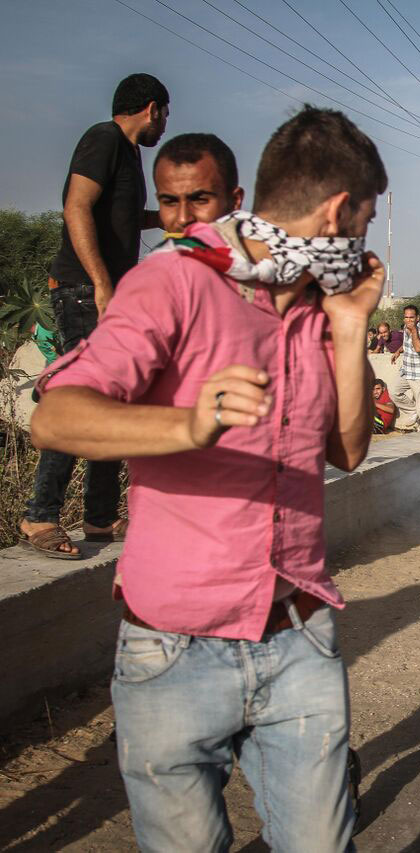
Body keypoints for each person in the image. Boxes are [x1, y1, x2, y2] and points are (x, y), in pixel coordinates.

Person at [30, 104, 386, 850]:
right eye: (366, 219)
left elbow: (347, 451)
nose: (366, 239)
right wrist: (188, 425)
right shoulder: (177, 283)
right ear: (337, 212)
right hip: (174, 651)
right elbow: (57, 417)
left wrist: (351, 330)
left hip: (297, 639)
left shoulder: (320, 311)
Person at [20, 74, 170, 559]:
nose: (165, 125)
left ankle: (100, 518)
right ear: (152, 108)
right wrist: (102, 283)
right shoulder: (102, 138)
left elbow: (117, 215)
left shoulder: (129, 154)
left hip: (108, 294)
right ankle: (40, 516)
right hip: (85, 292)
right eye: (165, 115)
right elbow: (76, 208)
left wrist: (164, 217)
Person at [391, 304, 420, 430]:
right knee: (394, 392)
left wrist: (414, 331)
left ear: (417, 318)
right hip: (406, 370)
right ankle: (414, 411)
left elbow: (419, 348)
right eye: (406, 317)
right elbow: (407, 344)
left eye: (411, 317)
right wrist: (398, 351)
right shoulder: (405, 327)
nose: (409, 320)